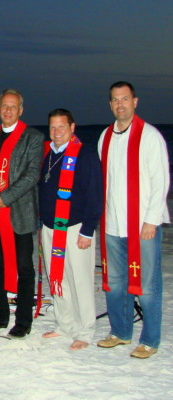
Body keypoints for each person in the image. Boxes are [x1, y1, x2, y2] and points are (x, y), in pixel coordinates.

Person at [97, 81, 170, 359]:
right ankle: (120, 331)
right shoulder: (105, 136)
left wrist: (151, 220)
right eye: (115, 100)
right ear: (110, 104)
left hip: (142, 225)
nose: (120, 104)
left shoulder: (149, 136)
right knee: (116, 282)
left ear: (135, 102)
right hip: (113, 223)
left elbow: (160, 180)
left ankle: (150, 340)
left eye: (125, 99)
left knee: (147, 286)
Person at [0, 89, 43, 337]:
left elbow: (32, 175)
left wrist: (4, 197)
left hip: (19, 215)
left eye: (13, 106)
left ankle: (23, 321)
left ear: (21, 110)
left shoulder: (33, 137)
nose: (8, 110)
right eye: (4, 105)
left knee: (24, 269)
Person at [39, 109, 102, 350]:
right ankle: (65, 324)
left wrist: (88, 230)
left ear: (72, 128)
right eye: (53, 127)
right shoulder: (50, 154)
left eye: (61, 127)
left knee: (81, 281)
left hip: (76, 229)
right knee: (58, 278)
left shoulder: (84, 154)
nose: (57, 132)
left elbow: (95, 194)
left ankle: (85, 330)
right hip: (50, 228)